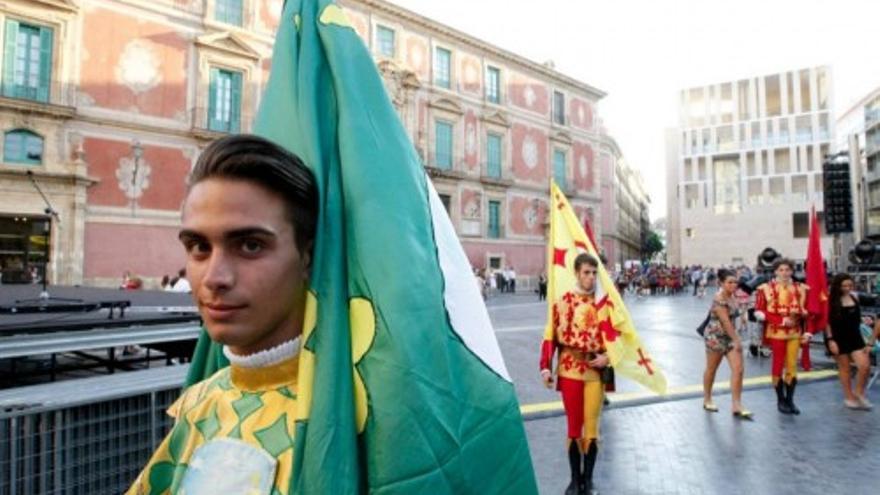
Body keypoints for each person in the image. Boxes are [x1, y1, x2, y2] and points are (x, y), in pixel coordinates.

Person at [128, 134, 317, 494]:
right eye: (199, 247)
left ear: (306, 256)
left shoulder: (362, 416)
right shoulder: (200, 402)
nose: (214, 278)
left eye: (250, 245)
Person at [540, 253, 608, 495]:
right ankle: (573, 479)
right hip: (569, 370)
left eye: (594, 272)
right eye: (586, 272)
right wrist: (546, 367)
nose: (591, 277)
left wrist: (608, 357)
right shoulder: (563, 301)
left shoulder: (605, 304)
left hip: (595, 373)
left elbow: (619, 339)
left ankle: (588, 481)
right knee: (573, 427)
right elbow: (550, 336)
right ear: (577, 273)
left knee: (592, 428)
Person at [754, 258, 811, 415]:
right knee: (777, 365)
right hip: (777, 332)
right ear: (775, 271)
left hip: (795, 333)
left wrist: (805, 325)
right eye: (781, 270)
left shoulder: (801, 288)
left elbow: (808, 312)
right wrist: (781, 320)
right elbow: (759, 311)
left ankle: (790, 400)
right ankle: (780, 400)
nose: (784, 273)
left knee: (792, 366)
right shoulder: (765, 288)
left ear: (792, 271)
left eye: (787, 270)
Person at [702, 269, 752, 419]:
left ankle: (736, 404)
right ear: (721, 283)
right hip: (715, 337)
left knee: (739, 369)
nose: (733, 285)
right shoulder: (719, 299)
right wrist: (737, 340)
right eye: (729, 282)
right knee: (712, 369)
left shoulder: (733, 296)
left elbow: (735, 314)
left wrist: (743, 317)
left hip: (730, 337)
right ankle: (707, 398)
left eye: (735, 282)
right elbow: (725, 321)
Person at [826, 273, 873, 410]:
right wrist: (830, 340)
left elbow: (855, 317)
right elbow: (827, 322)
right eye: (844, 286)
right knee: (845, 368)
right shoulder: (830, 300)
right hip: (837, 337)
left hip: (855, 336)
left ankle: (859, 392)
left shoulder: (854, 297)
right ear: (838, 286)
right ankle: (849, 397)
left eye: (850, 285)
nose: (847, 288)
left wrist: (864, 320)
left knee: (865, 366)